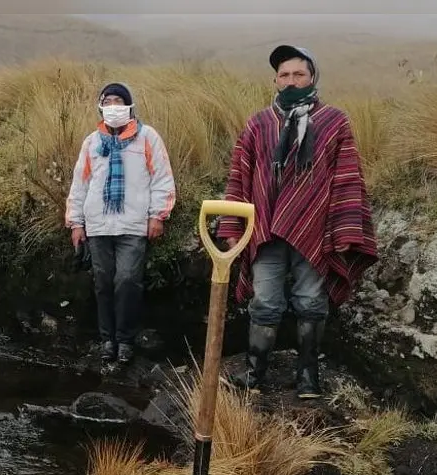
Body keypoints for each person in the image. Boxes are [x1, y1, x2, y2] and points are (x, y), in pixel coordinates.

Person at [216, 45, 378, 395]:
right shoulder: (258, 123)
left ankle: (308, 377)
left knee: (311, 302)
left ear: (312, 77)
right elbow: (239, 177)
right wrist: (233, 226)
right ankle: (255, 373)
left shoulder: (334, 121)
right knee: (265, 302)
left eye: (299, 74)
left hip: (314, 230)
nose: (291, 80)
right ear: (275, 80)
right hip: (265, 230)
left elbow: (347, 177)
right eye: (284, 75)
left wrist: (345, 230)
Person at [65, 82, 176, 364]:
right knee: (103, 282)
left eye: (118, 101)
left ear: (129, 106)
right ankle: (107, 340)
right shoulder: (92, 142)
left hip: (133, 225)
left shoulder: (147, 137)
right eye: (108, 102)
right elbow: (80, 183)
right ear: (101, 107)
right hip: (98, 225)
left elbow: (162, 177)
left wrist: (157, 215)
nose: (113, 107)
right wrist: (76, 223)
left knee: (127, 281)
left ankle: (125, 340)